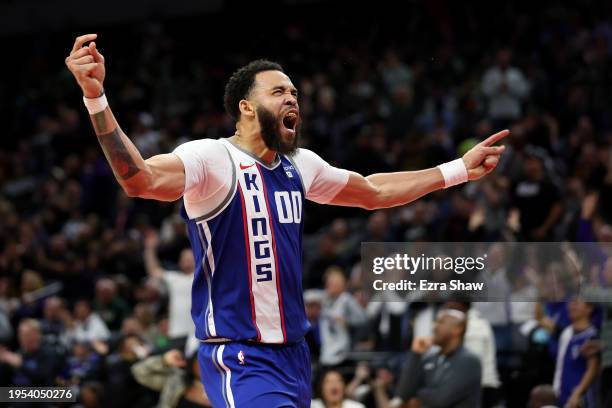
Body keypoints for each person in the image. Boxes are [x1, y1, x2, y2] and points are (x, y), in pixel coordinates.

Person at [65, 33, 508, 407]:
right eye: (278, 92)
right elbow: (137, 179)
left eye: (294, 92)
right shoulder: (211, 157)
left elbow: (373, 192)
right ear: (245, 107)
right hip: (240, 354)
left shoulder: (302, 164)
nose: (292, 98)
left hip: (296, 355)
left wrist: (459, 170)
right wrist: (95, 97)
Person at [387, 308, 482, 408]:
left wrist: (417, 396)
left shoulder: (469, 360)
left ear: (458, 328)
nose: (434, 327)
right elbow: (403, 394)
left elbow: (440, 400)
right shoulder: (431, 359)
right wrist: (415, 354)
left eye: (441, 322)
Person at [552, 298, 599, 408]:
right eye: (571, 303)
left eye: (577, 303)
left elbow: (592, 369)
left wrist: (577, 393)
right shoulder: (567, 334)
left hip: (580, 397)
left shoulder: (592, 336)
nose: (572, 306)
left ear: (589, 309)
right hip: (562, 393)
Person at [132, 349, 212, 408]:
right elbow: (138, 372)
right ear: (191, 364)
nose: (204, 368)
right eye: (200, 363)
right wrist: (164, 361)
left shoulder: (221, 386)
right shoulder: (177, 380)